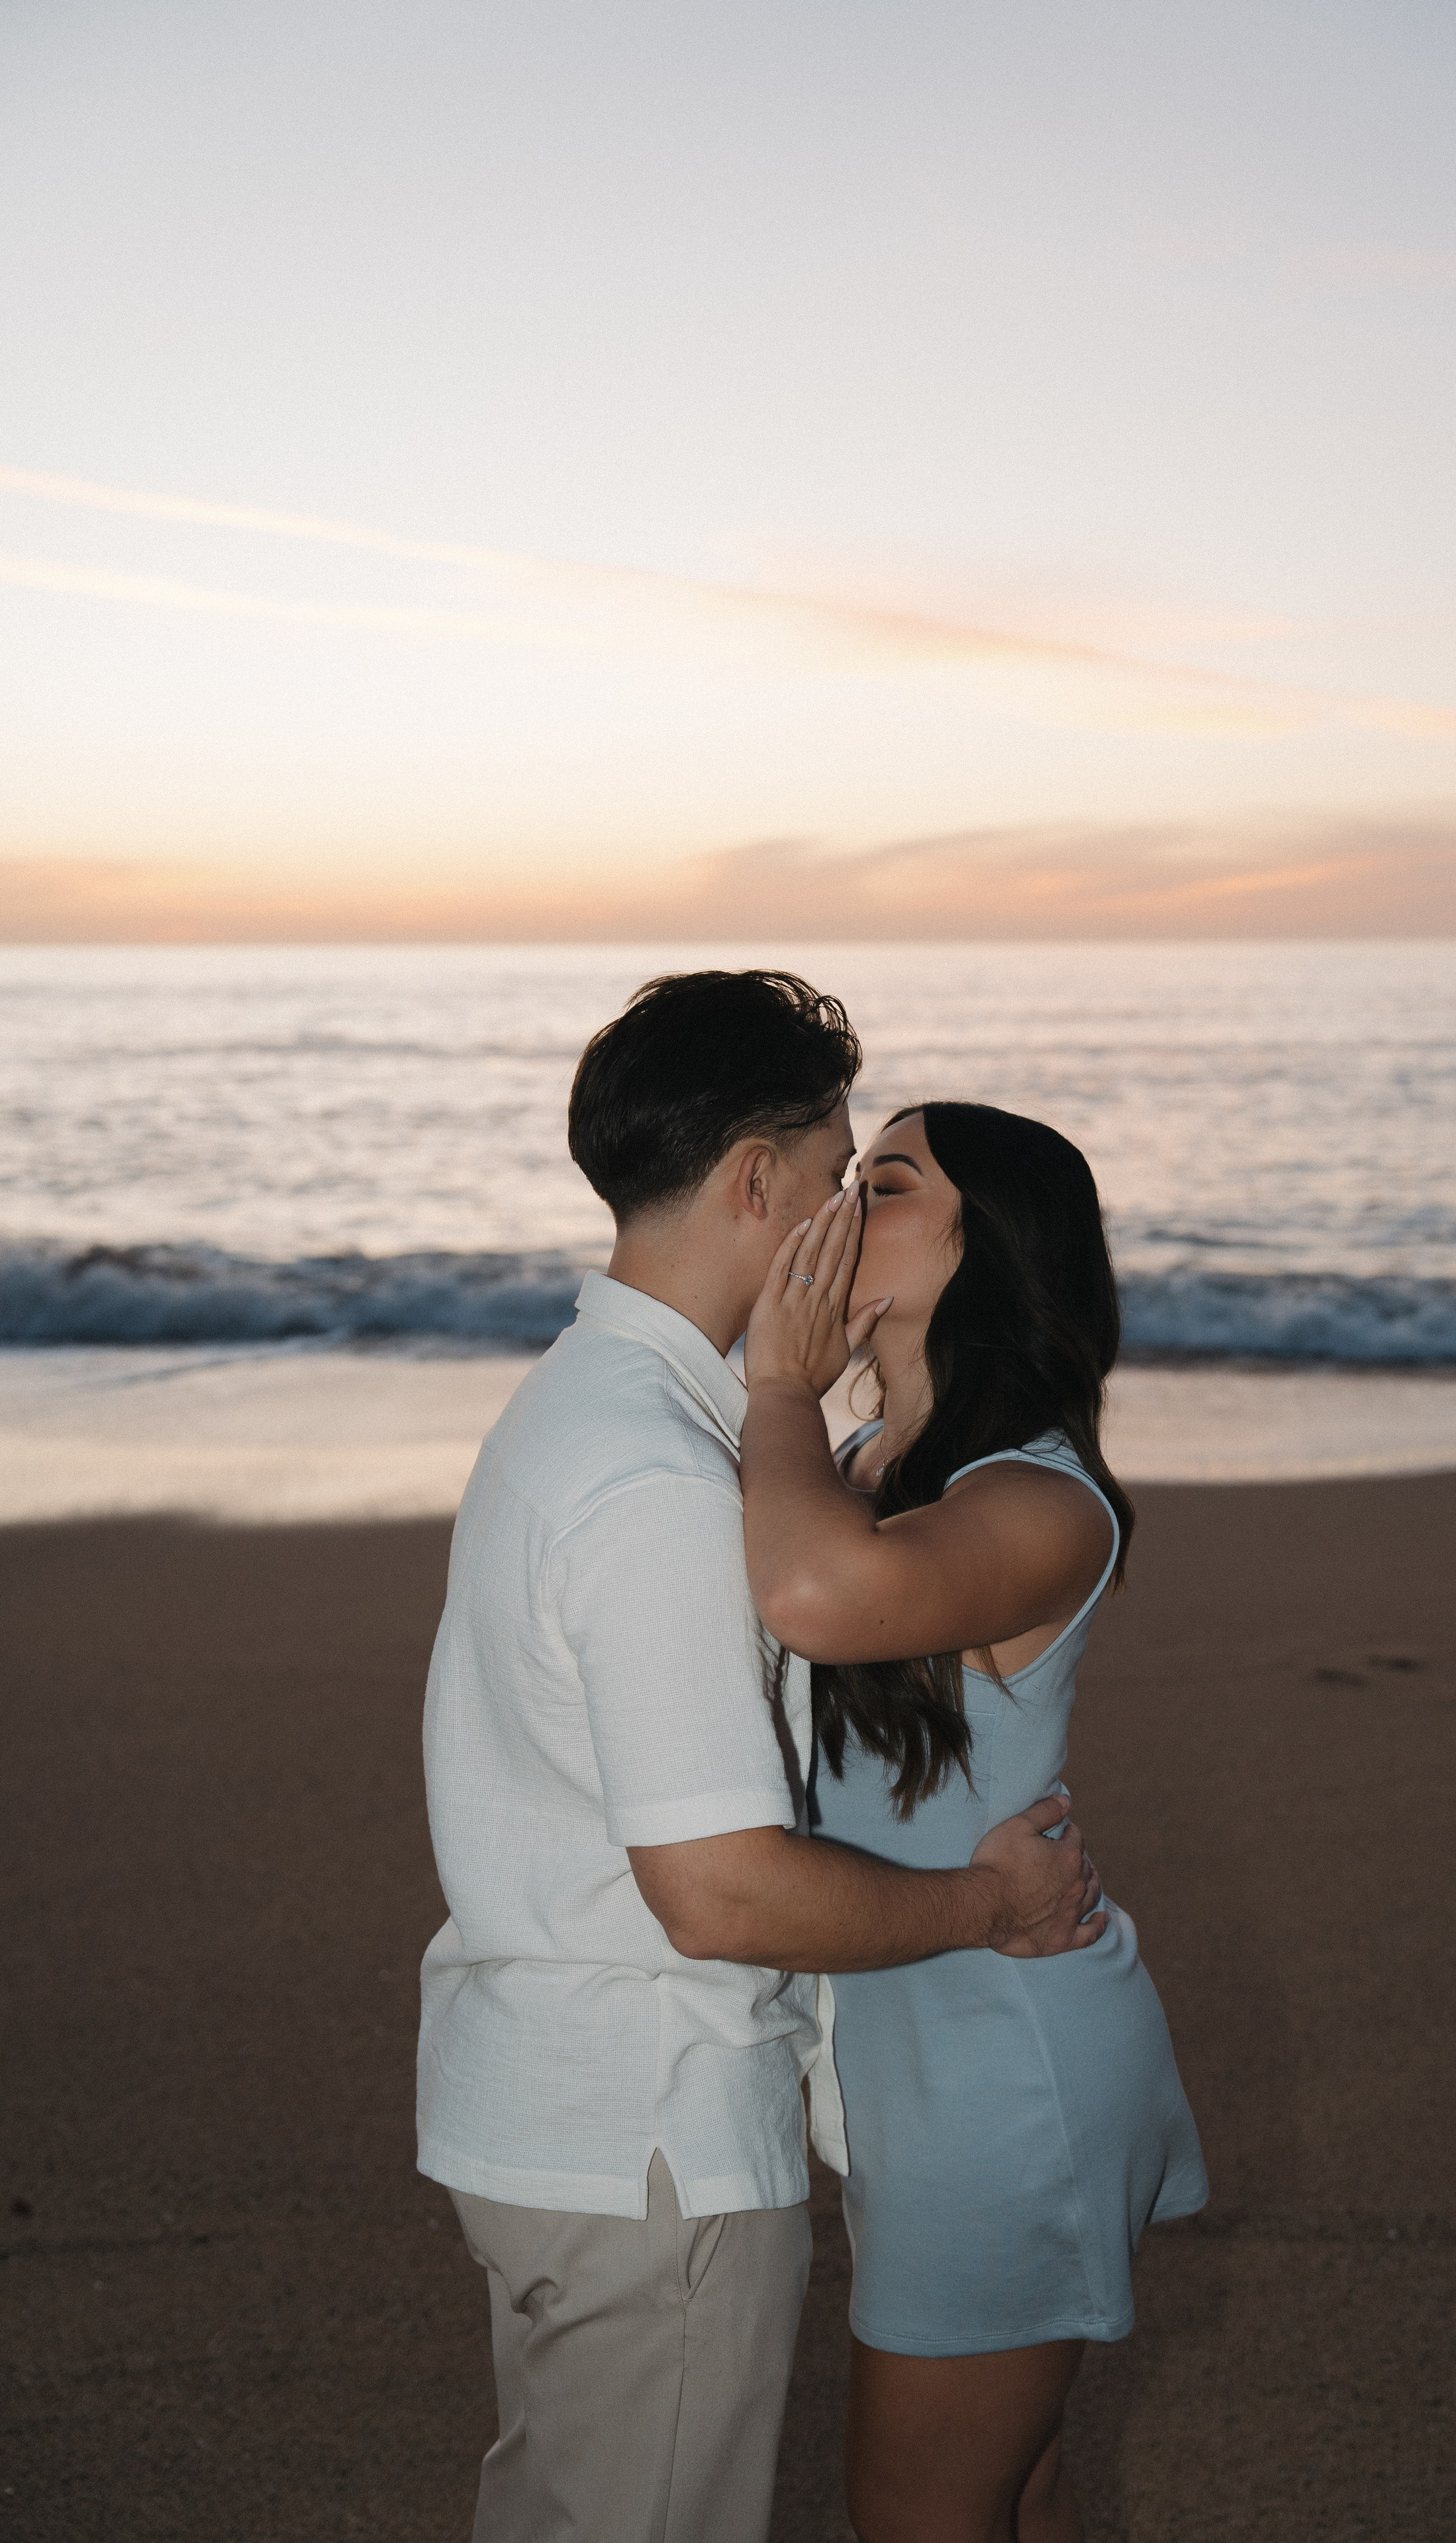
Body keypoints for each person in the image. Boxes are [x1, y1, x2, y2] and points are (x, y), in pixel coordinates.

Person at [416, 974, 1106, 2543]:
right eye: (837, 1174)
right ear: (755, 1184)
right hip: (644, 2138)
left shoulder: (584, 1407)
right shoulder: (659, 1476)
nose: (846, 1216)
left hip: (555, 2103)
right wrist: (981, 1908)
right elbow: (722, 1895)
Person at [740, 1101, 1208, 2543]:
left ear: (992, 1253)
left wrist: (773, 1393)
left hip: (1007, 2072)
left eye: (886, 1186)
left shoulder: (1043, 1500)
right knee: (1013, 2489)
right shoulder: (871, 1466)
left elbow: (815, 1602)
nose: (841, 1206)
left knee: (919, 2518)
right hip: (927, 2052)